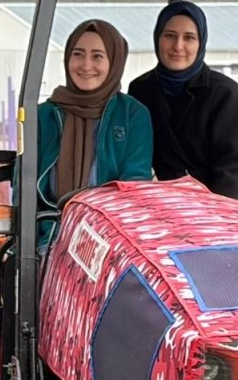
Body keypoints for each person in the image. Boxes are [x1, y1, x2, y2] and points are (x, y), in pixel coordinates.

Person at [128, 1, 238, 207]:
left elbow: (232, 169)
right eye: (170, 36)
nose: (178, 46)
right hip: (173, 206)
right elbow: (136, 160)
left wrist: (217, 218)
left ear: (201, 43)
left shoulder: (224, 92)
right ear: (158, 38)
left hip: (228, 207)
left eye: (189, 38)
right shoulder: (141, 90)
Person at [28, 19, 153, 244]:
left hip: (110, 240)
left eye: (97, 56)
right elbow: (24, 187)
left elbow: (134, 188)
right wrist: (32, 245)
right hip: (50, 239)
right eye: (78, 54)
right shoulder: (43, 116)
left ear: (114, 61)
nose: (86, 65)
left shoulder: (132, 115)